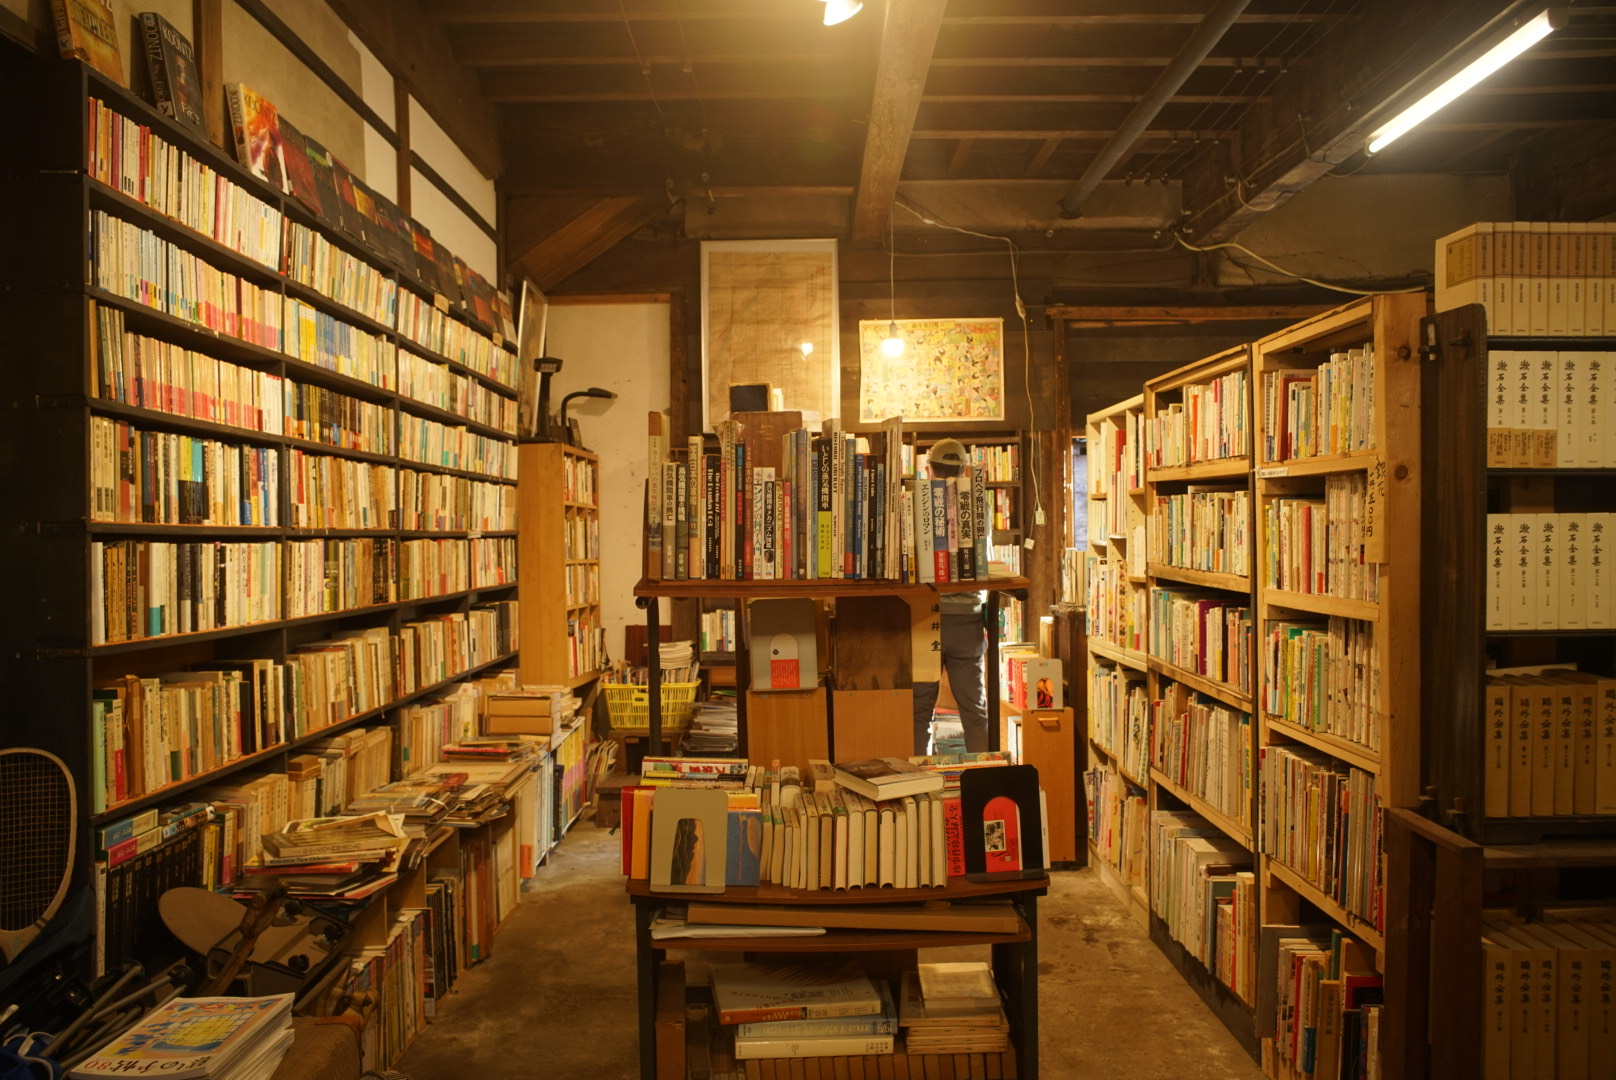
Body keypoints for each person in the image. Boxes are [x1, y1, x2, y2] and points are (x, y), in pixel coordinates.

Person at [912, 438, 990, 755]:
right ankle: (982, 775)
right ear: (963, 470)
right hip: (968, 620)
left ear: (929, 470)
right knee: (974, 710)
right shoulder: (978, 503)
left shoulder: (916, 502)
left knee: (919, 710)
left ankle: (919, 776)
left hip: (925, 617)